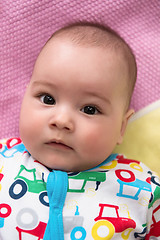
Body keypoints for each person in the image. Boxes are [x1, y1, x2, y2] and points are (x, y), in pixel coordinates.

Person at [0, 22, 160, 240]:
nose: (62, 120)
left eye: (90, 109)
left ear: (122, 126)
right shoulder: (3, 160)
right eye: (48, 99)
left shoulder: (143, 189)